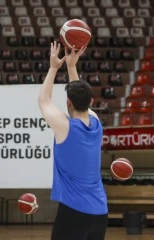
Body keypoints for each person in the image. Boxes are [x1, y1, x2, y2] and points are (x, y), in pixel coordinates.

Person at [38, 41, 108, 240]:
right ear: (91, 102)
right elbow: (79, 94)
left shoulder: (65, 127)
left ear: (68, 102)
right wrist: (71, 66)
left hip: (74, 212)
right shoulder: (96, 123)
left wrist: (53, 67)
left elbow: (44, 100)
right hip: (100, 212)